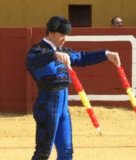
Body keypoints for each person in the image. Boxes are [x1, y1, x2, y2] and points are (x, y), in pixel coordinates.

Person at [26, 16, 121, 160]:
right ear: (51, 32)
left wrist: (106, 54)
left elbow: (82, 58)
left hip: (62, 107)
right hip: (47, 105)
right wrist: (54, 54)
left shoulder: (63, 51)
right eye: (62, 34)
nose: (65, 38)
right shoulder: (38, 50)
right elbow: (31, 60)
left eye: (67, 35)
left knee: (66, 152)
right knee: (43, 153)